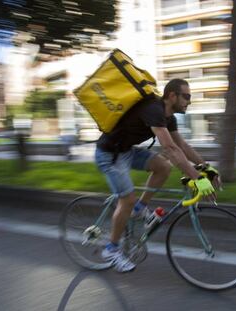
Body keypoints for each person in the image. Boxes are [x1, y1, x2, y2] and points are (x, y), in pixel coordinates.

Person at [95, 78, 221, 272]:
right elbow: (170, 148)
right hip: (109, 155)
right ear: (172, 96)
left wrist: (205, 167)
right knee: (126, 200)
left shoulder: (169, 117)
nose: (189, 101)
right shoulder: (153, 109)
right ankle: (111, 249)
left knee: (163, 167)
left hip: (126, 151)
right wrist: (197, 178)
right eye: (186, 96)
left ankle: (140, 208)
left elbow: (182, 146)